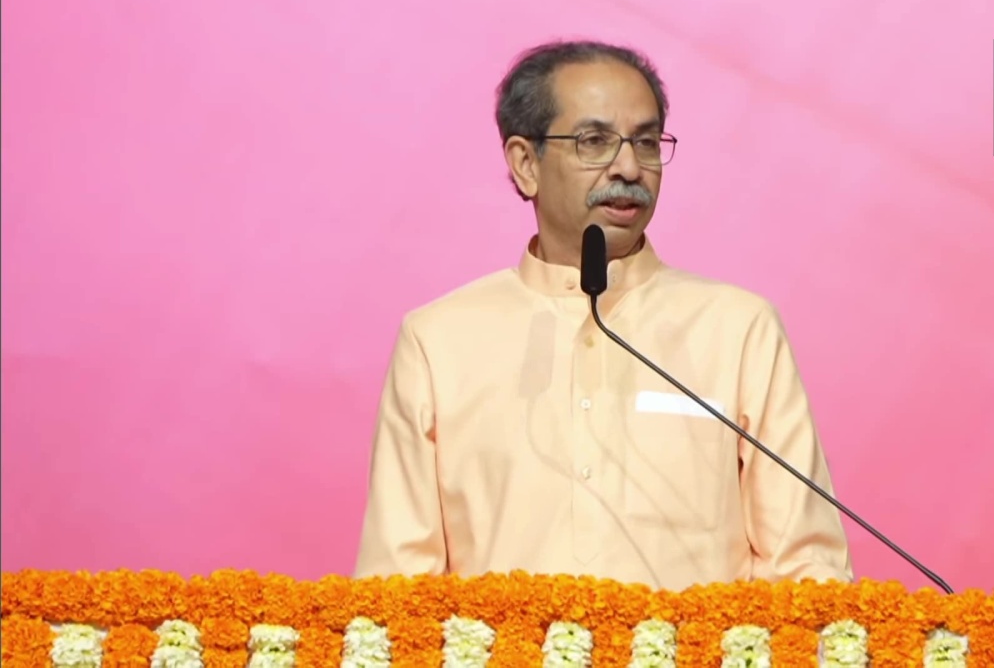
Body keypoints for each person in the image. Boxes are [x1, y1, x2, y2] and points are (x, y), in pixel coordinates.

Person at [353, 40, 853, 590]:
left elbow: (806, 571)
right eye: (594, 141)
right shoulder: (439, 341)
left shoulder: (737, 330)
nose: (629, 167)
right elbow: (397, 589)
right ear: (526, 164)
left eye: (646, 142)